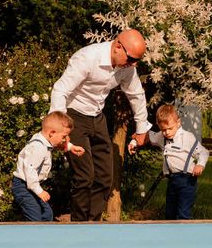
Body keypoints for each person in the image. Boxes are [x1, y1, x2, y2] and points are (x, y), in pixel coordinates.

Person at [49, 29, 151, 221]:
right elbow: (60, 89)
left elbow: (136, 95)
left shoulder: (127, 67)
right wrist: (61, 129)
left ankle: (93, 223)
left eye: (137, 61)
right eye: (131, 59)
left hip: (97, 117)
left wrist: (141, 129)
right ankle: (79, 225)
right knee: (84, 176)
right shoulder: (87, 58)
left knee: (105, 178)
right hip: (73, 117)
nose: (133, 65)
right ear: (118, 46)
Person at [128, 104, 209, 220]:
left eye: (170, 128)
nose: (167, 132)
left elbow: (204, 152)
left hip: (187, 180)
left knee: (183, 212)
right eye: (163, 130)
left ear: (178, 122)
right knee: (170, 213)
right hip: (172, 180)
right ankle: (171, 230)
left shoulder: (187, 137)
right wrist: (134, 143)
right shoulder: (161, 137)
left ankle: (184, 230)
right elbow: (147, 135)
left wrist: (200, 164)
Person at [11, 111, 85, 221]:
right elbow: (30, 170)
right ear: (52, 133)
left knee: (47, 213)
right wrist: (39, 191)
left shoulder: (43, 139)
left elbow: (57, 144)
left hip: (31, 185)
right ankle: (34, 231)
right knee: (35, 216)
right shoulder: (38, 147)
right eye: (64, 136)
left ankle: (43, 230)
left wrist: (70, 147)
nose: (65, 139)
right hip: (24, 186)